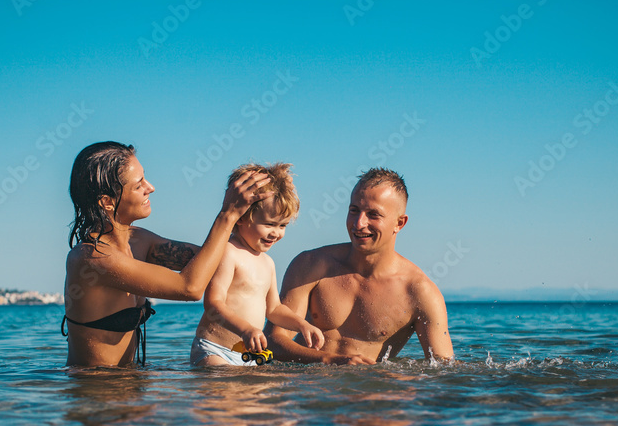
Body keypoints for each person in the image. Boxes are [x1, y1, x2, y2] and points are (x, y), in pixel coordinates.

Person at [63, 141, 271, 367]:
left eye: (145, 178)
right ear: (107, 202)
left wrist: (270, 197)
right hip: (95, 392)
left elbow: (215, 262)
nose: (150, 187)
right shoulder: (92, 258)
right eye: (138, 184)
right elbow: (189, 288)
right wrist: (227, 215)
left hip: (130, 384)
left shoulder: (139, 241)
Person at [267, 167, 454, 365]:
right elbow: (272, 341)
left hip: (369, 394)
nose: (358, 223)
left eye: (373, 214)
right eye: (354, 211)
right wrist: (329, 359)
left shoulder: (419, 292)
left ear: (399, 223)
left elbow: (444, 370)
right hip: (307, 392)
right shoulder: (311, 265)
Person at [191, 163, 324, 366]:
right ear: (243, 217)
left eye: (283, 225)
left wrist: (302, 325)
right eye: (270, 224)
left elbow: (274, 310)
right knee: (222, 385)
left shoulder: (267, 263)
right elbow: (213, 305)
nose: (276, 233)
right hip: (215, 350)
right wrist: (246, 329)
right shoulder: (229, 252)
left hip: (248, 355)